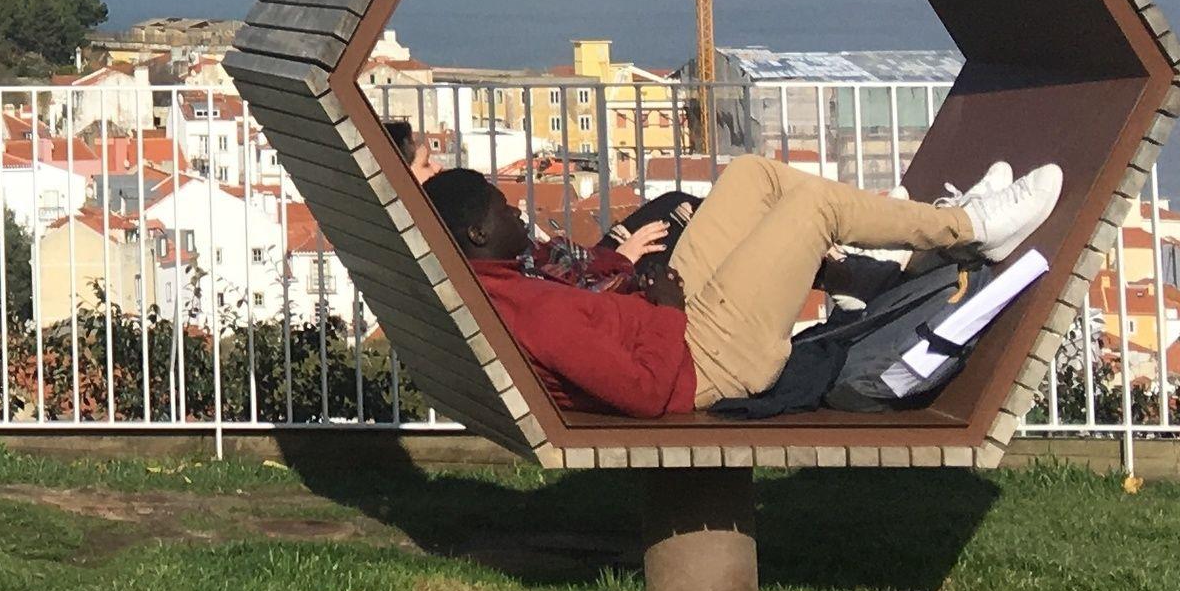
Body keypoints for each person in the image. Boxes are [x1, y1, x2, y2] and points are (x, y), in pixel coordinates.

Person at [423, 155, 1061, 417]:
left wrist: (636, 284)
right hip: (703, 358)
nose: (516, 209)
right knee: (813, 208)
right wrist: (665, 310)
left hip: (673, 320)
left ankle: (893, 259)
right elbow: (644, 392)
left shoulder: (505, 278)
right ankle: (972, 229)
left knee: (755, 176)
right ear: (476, 234)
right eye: (501, 208)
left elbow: (593, 307)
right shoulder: (529, 312)